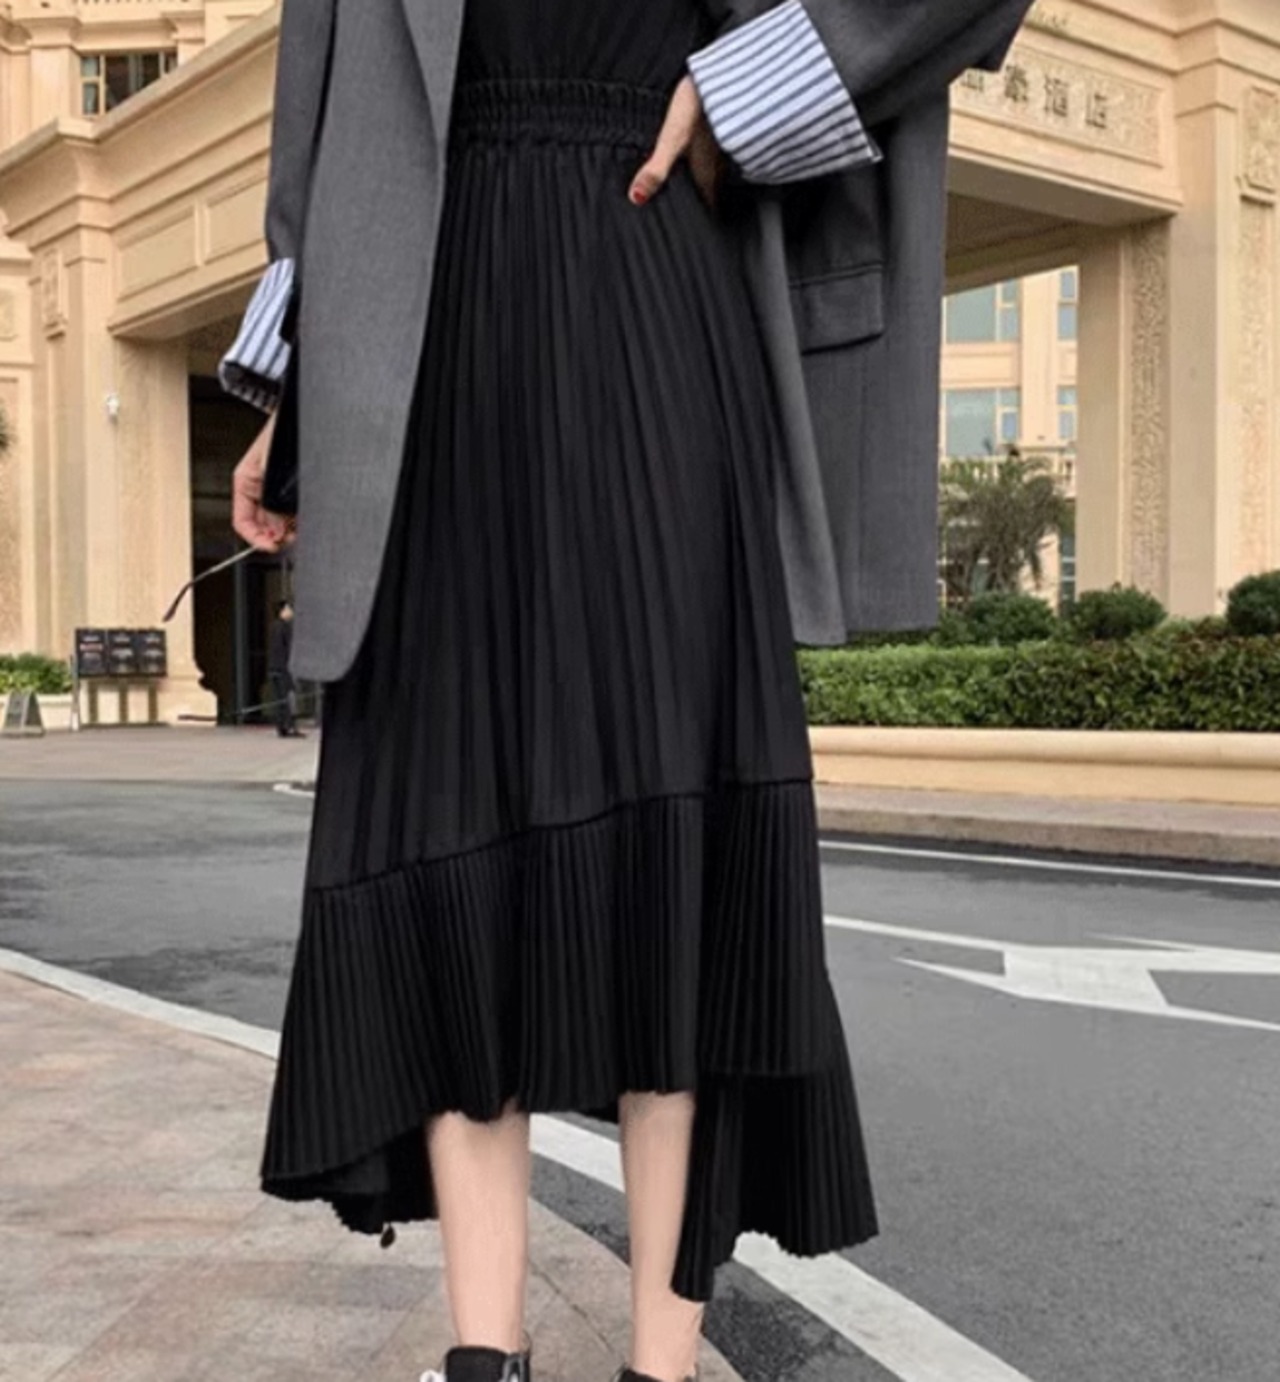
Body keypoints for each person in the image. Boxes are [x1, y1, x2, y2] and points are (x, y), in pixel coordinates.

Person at [222, 3, 1033, 1380]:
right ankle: (484, 1356)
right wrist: (291, 396)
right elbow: (326, 111)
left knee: (675, 843)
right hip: (416, 354)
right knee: (445, 826)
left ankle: (661, 1365)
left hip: (651, 285)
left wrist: (748, 85)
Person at [267, 599, 303, 738]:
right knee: (288, 697)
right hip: (284, 668)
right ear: (282, 611)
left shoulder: (273, 627)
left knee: (279, 699)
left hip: (274, 667)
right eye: (288, 609)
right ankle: (289, 726)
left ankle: (282, 726)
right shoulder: (285, 628)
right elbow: (288, 649)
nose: (291, 612)